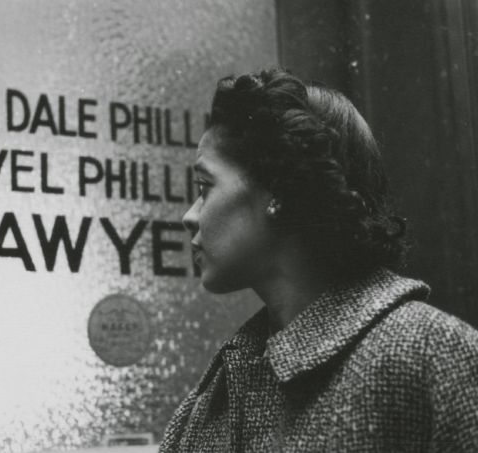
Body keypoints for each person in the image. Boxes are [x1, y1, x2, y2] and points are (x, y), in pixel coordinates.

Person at [159, 68, 478, 452]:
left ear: (276, 189)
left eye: (204, 187)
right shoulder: (219, 390)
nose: (189, 215)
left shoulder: (433, 354)